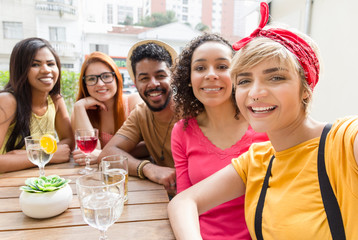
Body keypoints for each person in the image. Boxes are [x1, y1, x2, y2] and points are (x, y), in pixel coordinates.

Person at [168, 2, 358, 239]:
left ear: (306, 88)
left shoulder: (344, 143)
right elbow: (184, 201)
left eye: (276, 77)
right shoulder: (257, 160)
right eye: (245, 80)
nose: (255, 92)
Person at [171, 33, 268, 240]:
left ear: (238, 75)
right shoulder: (182, 131)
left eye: (222, 66)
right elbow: (184, 201)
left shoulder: (265, 124)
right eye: (200, 68)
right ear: (188, 79)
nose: (211, 74)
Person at [99, 40, 178, 195]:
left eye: (160, 75)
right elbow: (107, 155)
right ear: (135, 83)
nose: (153, 84)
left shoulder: (192, 110)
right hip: (162, 197)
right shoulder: (141, 113)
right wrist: (147, 168)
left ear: (173, 77)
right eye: (144, 78)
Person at [0, 37, 74, 173]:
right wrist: (46, 155)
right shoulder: (7, 101)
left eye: (51, 64)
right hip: (9, 184)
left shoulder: (55, 99)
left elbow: (69, 140)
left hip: (45, 178)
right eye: (35, 64)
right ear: (20, 69)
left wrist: (22, 155)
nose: (46, 70)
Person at [71, 51, 142, 165]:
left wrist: (103, 155)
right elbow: (91, 151)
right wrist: (79, 106)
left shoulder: (133, 102)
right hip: (98, 176)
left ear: (116, 78)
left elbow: (146, 147)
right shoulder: (81, 112)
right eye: (92, 79)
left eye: (106, 76)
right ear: (85, 84)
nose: (100, 83)